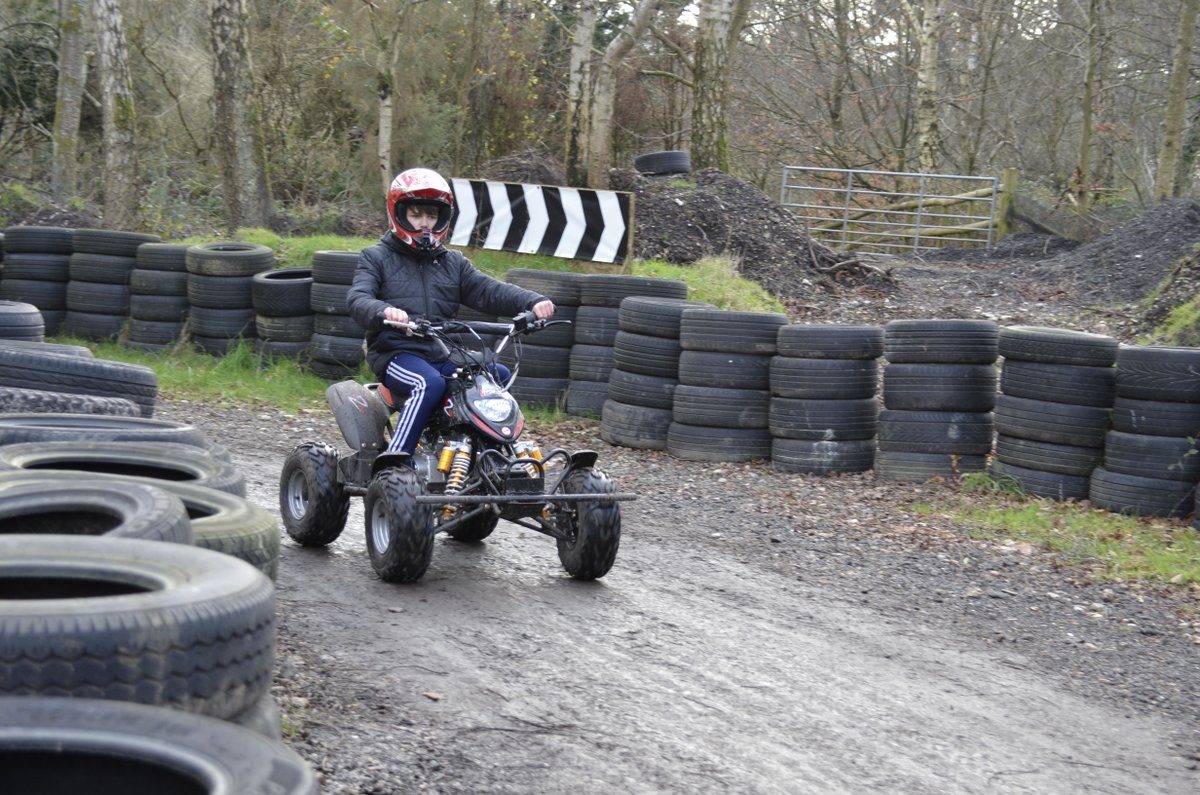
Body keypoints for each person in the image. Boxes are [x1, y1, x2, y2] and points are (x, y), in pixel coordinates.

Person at [347, 167, 555, 463]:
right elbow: (358, 299)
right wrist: (385, 311)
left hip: (443, 351)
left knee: (497, 375)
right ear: (398, 214)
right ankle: (395, 460)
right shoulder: (376, 257)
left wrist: (533, 301)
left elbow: (489, 290)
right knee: (427, 383)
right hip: (396, 353)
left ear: (442, 218)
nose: (425, 224)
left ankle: (491, 460)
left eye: (432, 216)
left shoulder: (452, 262)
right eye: (416, 216)